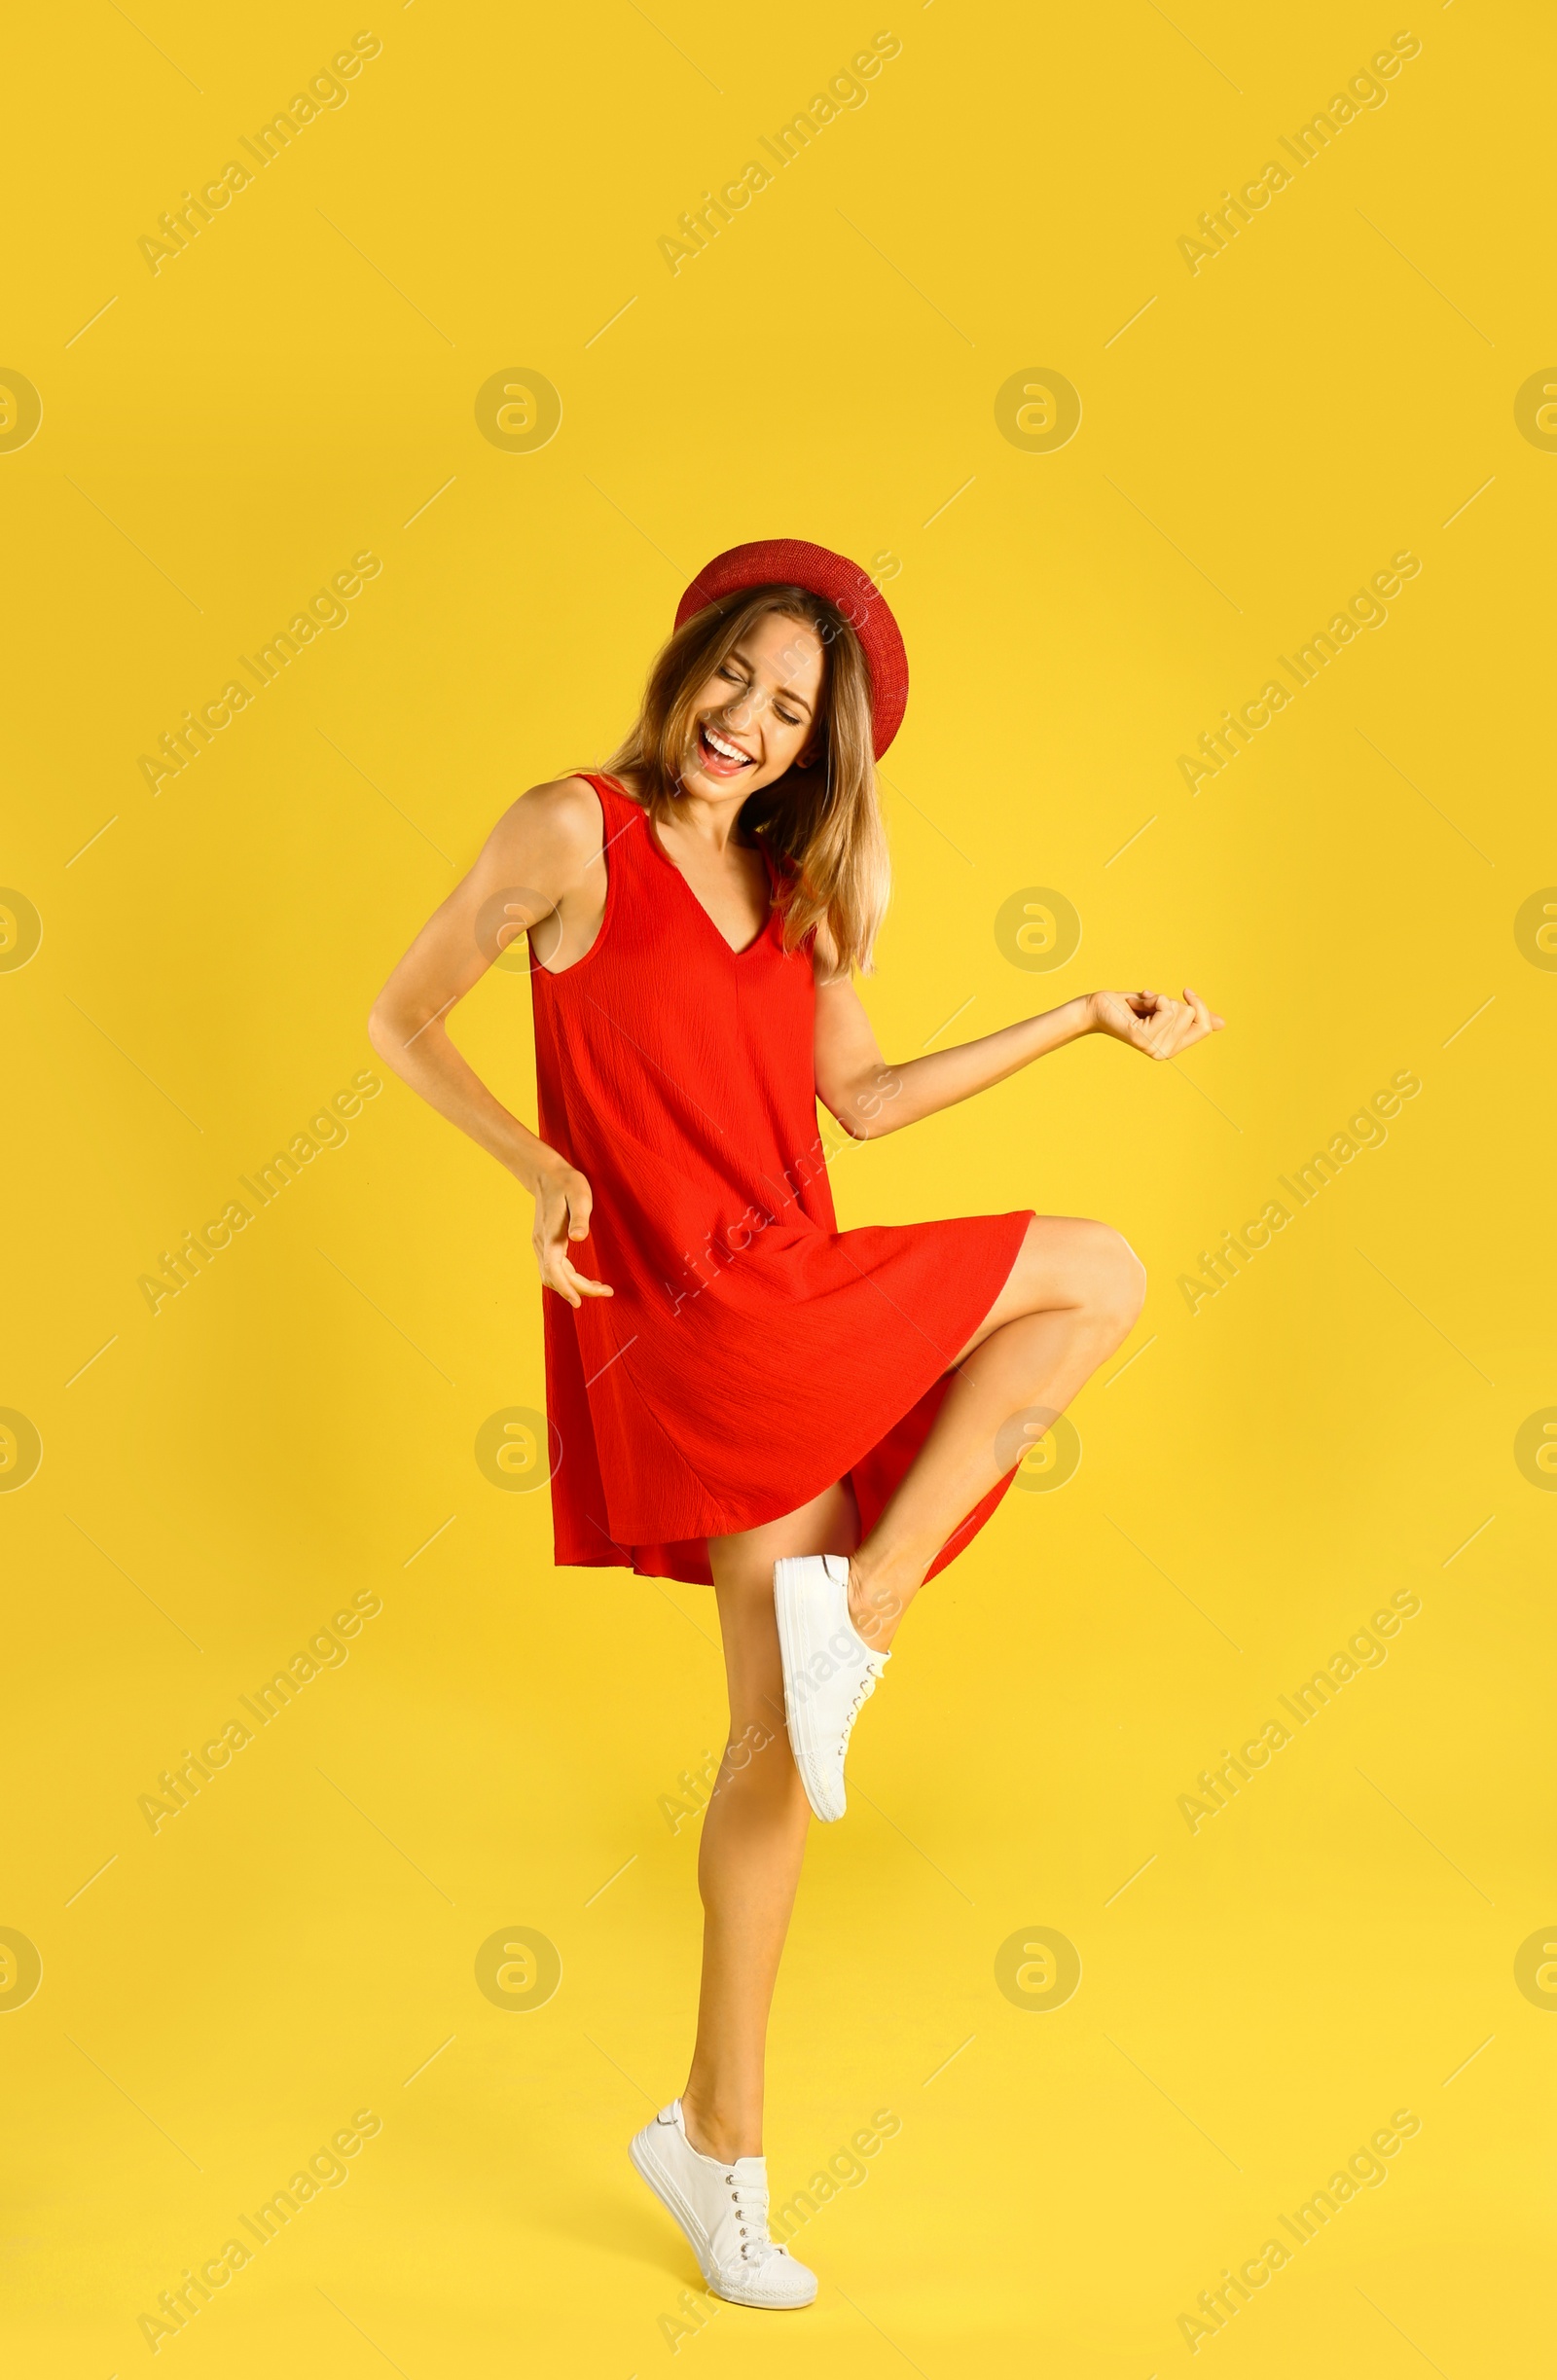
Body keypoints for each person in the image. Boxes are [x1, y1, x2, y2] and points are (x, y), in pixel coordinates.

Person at [368, 537, 1224, 2311]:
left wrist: (1080, 1016)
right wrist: (535, 1162)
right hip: (689, 1316)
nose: (746, 726)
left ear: (822, 749)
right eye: (733, 679)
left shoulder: (803, 888)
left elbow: (871, 1099)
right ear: (687, 662)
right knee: (1098, 1269)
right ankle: (878, 1610)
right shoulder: (571, 831)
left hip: (793, 1290)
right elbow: (403, 1012)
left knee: (773, 1747)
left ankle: (716, 2141)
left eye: (789, 711)